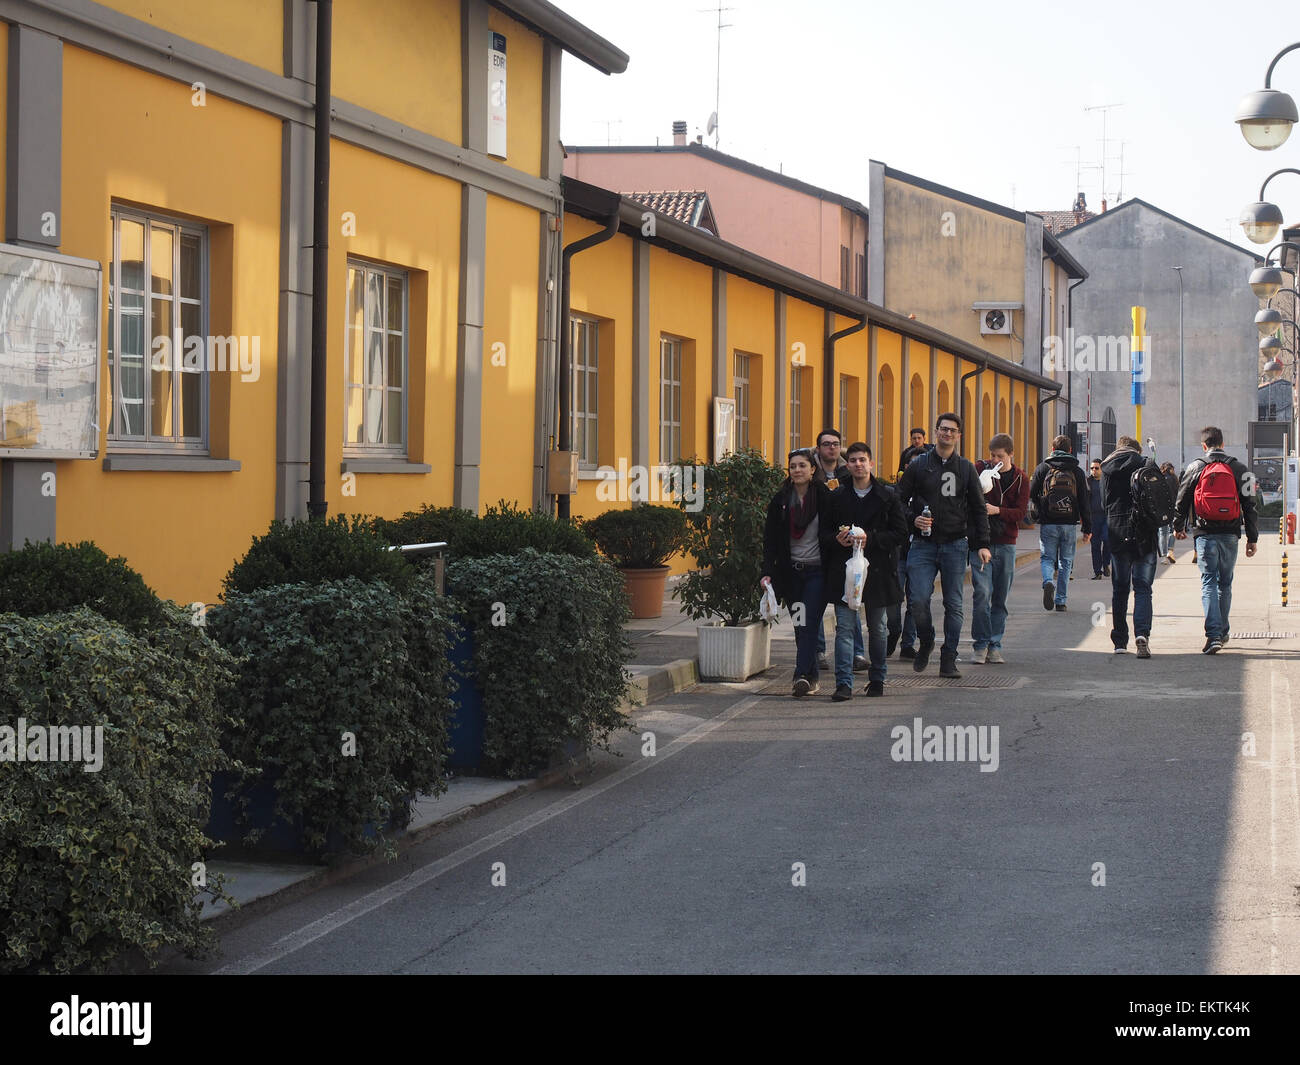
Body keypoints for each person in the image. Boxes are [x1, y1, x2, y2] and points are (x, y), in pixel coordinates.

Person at [896, 412, 991, 677]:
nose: (947, 434)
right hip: (923, 545)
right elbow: (898, 501)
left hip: (955, 544)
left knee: (954, 604)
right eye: (943, 429)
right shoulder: (919, 465)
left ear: (959, 436)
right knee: (917, 599)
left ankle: (949, 657)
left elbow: (978, 508)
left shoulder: (965, 468)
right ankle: (926, 640)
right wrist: (913, 519)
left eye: (953, 430)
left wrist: (982, 543)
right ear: (936, 432)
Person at [826, 442, 908, 699]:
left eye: (862, 460)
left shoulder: (887, 495)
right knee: (845, 628)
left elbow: (900, 533)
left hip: (879, 570)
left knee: (878, 627)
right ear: (847, 465)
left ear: (871, 463)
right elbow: (824, 532)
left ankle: (878, 679)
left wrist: (870, 538)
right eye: (852, 460)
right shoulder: (837, 496)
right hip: (845, 571)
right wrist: (836, 539)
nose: (858, 464)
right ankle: (844, 683)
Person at [1173, 426, 1259, 654]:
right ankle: (1222, 631)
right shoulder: (1241, 468)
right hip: (1231, 534)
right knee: (1225, 583)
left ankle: (1213, 635)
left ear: (1204, 445)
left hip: (1205, 533)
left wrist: (1177, 526)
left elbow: (1181, 499)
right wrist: (1252, 537)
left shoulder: (1195, 466)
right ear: (1222, 443)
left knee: (1208, 581)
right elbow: (1250, 505)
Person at [761, 448, 834, 697]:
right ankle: (811, 677)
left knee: (810, 622)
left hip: (817, 573)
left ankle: (800, 674)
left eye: (802, 465)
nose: (797, 470)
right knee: (800, 624)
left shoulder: (825, 497)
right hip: (792, 574)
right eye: (793, 466)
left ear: (813, 470)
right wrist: (767, 571)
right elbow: (770, 540)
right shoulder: (781, 500)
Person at [970, 433, 1030, 664]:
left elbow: (1021, 513)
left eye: (1000, 456)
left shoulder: (1021, 478)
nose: (995, 460)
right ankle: (980, 644)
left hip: (1006, 542)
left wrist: (997, 510)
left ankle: (995, 644)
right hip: (980, 542)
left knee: (1000, 597)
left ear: (1011, 455)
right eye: (992, 456)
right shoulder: (980, 470)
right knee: (981, 594)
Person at [1100, 436, 1159, 657]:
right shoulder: (1146, 464)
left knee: (1120, 589)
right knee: (1143, 587)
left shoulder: (1106, 468)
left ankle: (1120, 642)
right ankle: (1142, 634)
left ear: (1118, 448)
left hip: (1117, 529)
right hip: (1144, 531)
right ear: (1137, 449)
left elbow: (1104, 503)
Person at [811, 427, 862, 671]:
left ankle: (857, 653)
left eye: (835, 443)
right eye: (827, 444)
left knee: (851, 597)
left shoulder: (847, 470)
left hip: (843, 544)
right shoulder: (810, 471)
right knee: (817, 600)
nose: (832, 447)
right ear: (818, 448)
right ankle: (819, 651)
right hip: (816, 542)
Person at [1029, 434, 1091, 612]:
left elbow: (1031, 493)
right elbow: (1084, 501)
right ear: (1070, 450)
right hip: (1069, 524)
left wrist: (1040, 509)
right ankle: (1061, 601)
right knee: (1066, 562)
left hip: (1048, 522)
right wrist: (1087, 527)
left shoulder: (1043, 468)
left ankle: (1048, 581)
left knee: (1047, 558)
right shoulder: (1077, 471)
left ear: (1053, 449)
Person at [1087, 458, 1111, 579]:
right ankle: (1097, 571)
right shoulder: (1088, 482)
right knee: (1095, 545)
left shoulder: (1107, 481)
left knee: (1107, 540)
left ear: (1102, 469)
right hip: (1093, 518)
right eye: (1092, 468)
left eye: (1096, 468)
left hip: (1106, 516)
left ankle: (1106, 563)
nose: (1094, 470)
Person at [1158, 462, 1179, 564]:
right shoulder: (1174, 479)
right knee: (1173, 530)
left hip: (1161, 509)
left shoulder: (1159, 478)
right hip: (1173, 508)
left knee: (1162, 532)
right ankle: (1170, 551)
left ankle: (1164, 556)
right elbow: (1178, 494)